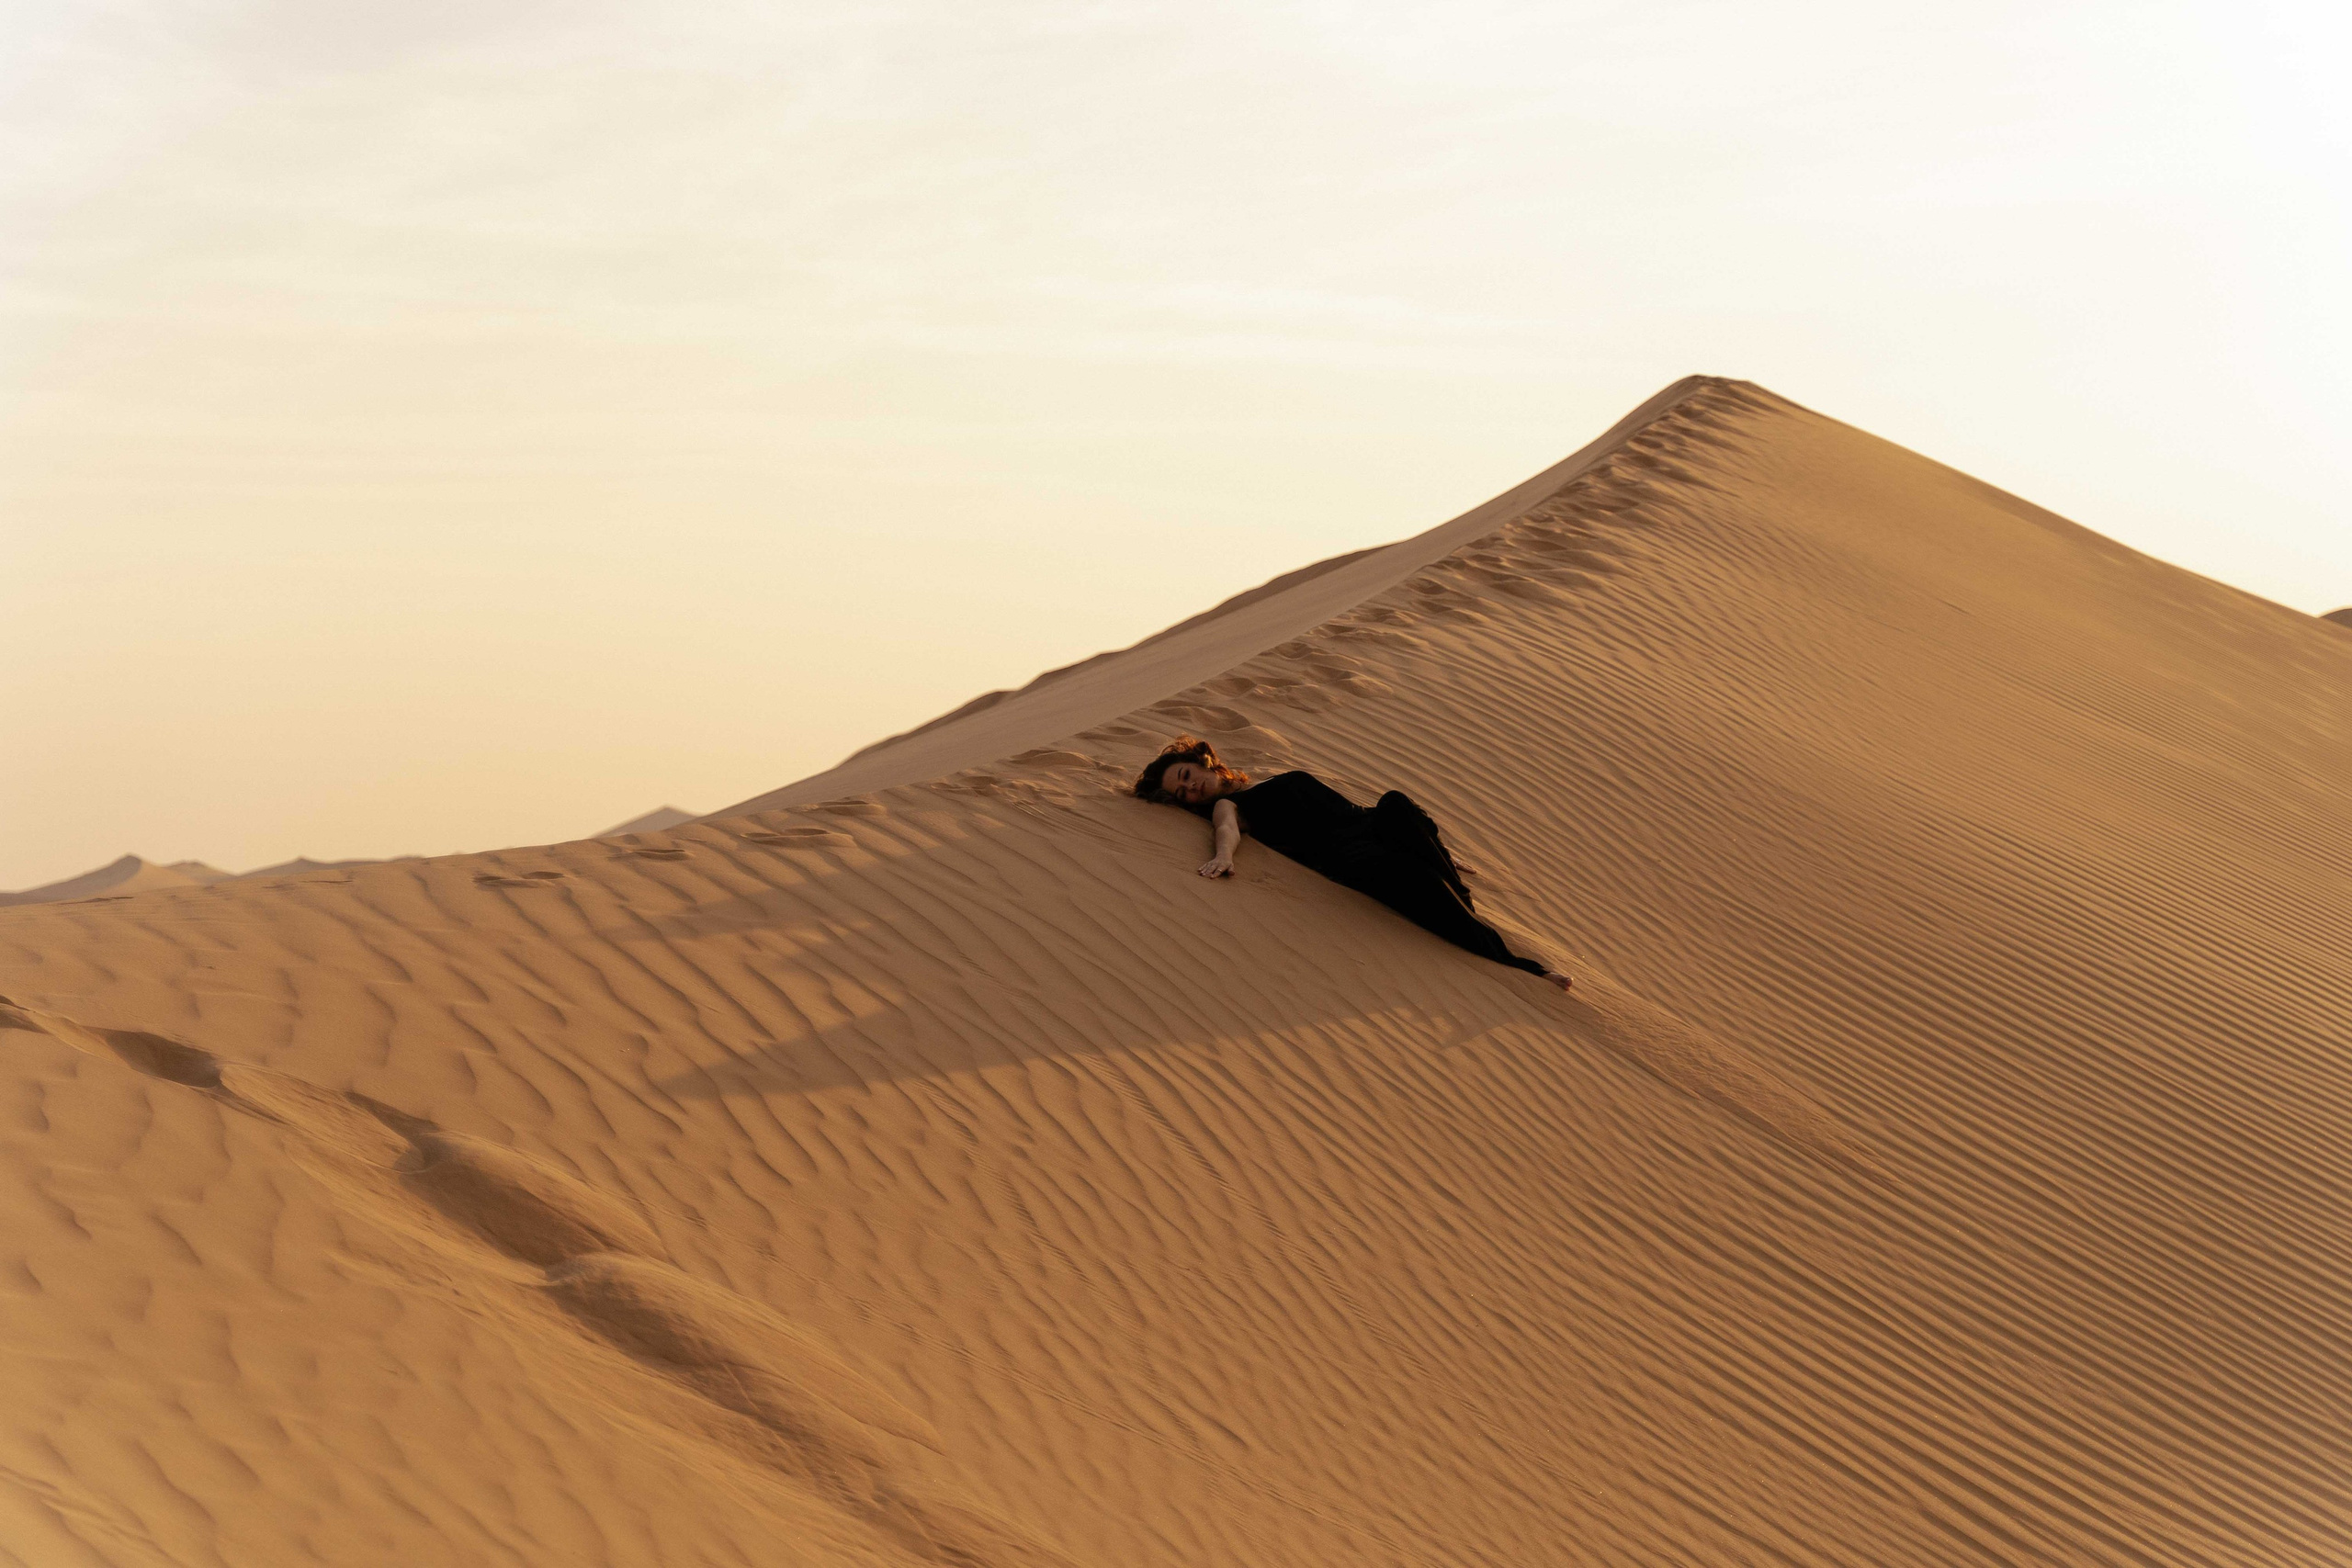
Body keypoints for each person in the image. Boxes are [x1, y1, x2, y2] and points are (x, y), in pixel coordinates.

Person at [1134, 735, 1571, 991]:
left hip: (1375, 826)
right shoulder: (1228, 807)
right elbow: (1227, 829)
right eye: (1181, 794)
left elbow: (1361, 810)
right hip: (1351, 857)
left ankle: (1461, 898)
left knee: (1396, 804)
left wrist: (1439, 845)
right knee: (1416, 879)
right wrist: (1223, 856)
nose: (1191, 791)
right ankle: (1522, 966)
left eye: (1187, 778)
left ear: (1202, 761)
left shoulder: (1262, 783)